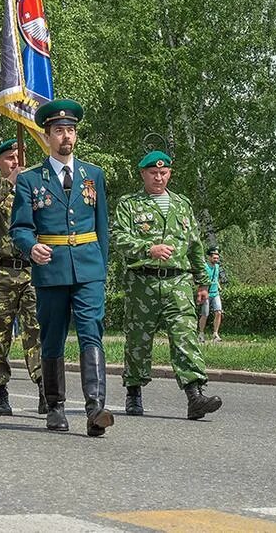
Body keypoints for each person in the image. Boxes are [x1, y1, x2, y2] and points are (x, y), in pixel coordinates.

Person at [11, 99, 113, 436]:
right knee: (52, 336)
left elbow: (102, 227)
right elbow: (21, 227)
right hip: (51, 268)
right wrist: (31, 247)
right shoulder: (30, 180)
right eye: (58, 131)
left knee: (90, 332)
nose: (65, 136)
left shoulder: (93, 175)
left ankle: (96, 408)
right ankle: (54, 405)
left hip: (88, 268)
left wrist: (101, 267)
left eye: (70, 130)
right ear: (47, 135)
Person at [114, 150, 223, 420]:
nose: (159, 177)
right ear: (143, 174)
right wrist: (147, 248)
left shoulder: (182, 204)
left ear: (170, 174)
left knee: (185, 336)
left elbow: (195, 246)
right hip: (143, 283)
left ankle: (194, 395)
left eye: (163, 173)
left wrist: (202, 283)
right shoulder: (129, 204)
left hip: (178, 282)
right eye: (153, 173)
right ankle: (134, 392)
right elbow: (118, 237)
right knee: (138, 340)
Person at [0, 138, 45, 416]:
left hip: (32, 269)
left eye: (18, 157)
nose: (15, 161)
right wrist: (9, 183)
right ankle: (0, 390)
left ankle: (44, 387)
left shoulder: (37, 188)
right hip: (1, 270)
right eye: (9, 158)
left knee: (38, 330)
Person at [199, 247, 223, 342]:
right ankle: (201, 333)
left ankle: (215, 334)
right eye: (214, 258)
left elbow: (216, 278)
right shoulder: (204, 267)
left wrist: (219, 286)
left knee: (219, 312)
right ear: (209, 257)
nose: (216, 260)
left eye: (217, 258)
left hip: (215, 293)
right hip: (207, 294)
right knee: (205, 314)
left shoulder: (217, 267)